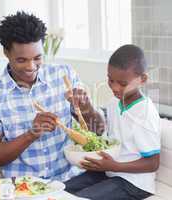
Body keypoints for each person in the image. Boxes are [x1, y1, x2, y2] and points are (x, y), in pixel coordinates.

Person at [0, 11, 104, 181]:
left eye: (37, 58)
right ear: (6, 53)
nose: (31, 66)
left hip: (72, 179)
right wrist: (31, 134)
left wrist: (87, 108)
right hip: (26, 188)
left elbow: (99, 131)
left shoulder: (63, 74)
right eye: (21, 60)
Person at [65, 44, 160, 200]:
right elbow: (100, 130)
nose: (114, 87)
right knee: (64, 190)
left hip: (134, 183)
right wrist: (84, 107)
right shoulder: (115, 102)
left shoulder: (145, 113)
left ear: (142, 79)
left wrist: (114, 166)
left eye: (123, 84)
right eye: (110, 80)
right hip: (111, 172)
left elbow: (152, 163)